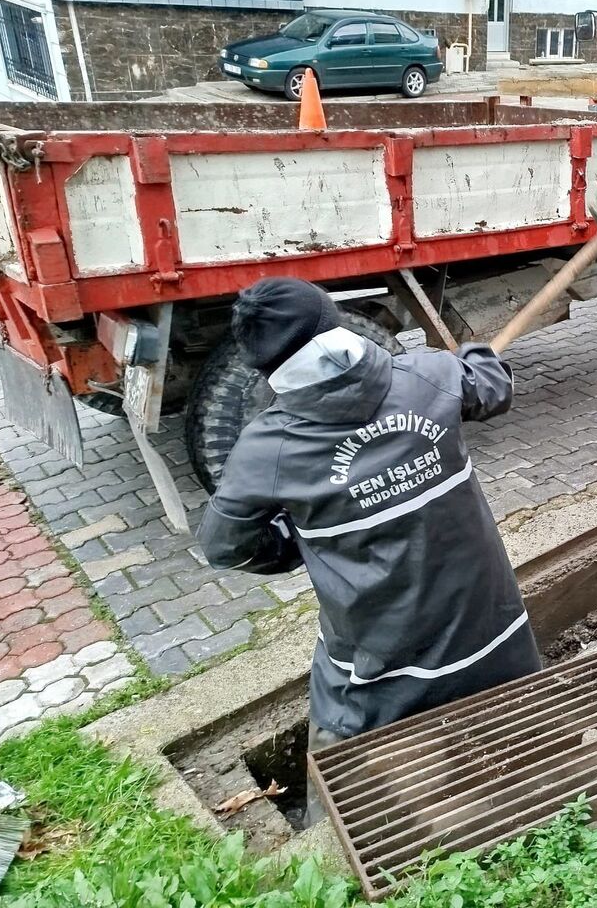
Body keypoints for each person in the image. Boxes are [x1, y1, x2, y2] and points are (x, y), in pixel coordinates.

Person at [197, 277, 541, 820]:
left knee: (341, 762)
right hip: (490, 635)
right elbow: (492, 387)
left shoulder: (267, 451)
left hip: (380, 670)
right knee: (512, 720)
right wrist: (472, 356)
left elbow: (226, 547)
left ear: (264, 369)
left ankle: (327, 845)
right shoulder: (430, 376)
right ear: (336, 325)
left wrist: (295, 544)